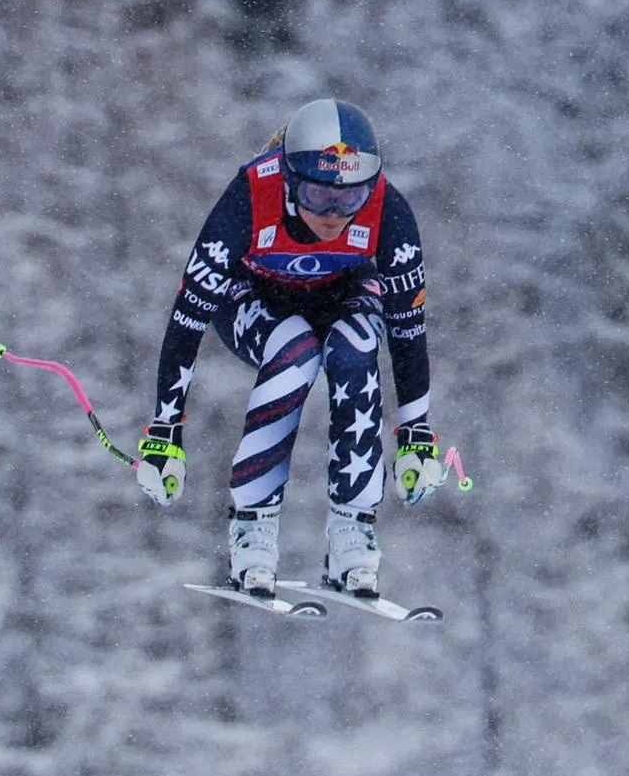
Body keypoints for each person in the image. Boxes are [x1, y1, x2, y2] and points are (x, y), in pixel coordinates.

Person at [135, 98, 446, 598]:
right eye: (318, 195)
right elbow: (187, 319)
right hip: (252, 298)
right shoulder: (247, 199)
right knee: (295, 350)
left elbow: (409, 330)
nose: (334, 214)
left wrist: (416, 434)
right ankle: (253, 529)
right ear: (287, 178)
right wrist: (164, 432)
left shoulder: (389, 211)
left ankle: (353, 529)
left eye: (351, 199)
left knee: (358, 344)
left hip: (343, 293)